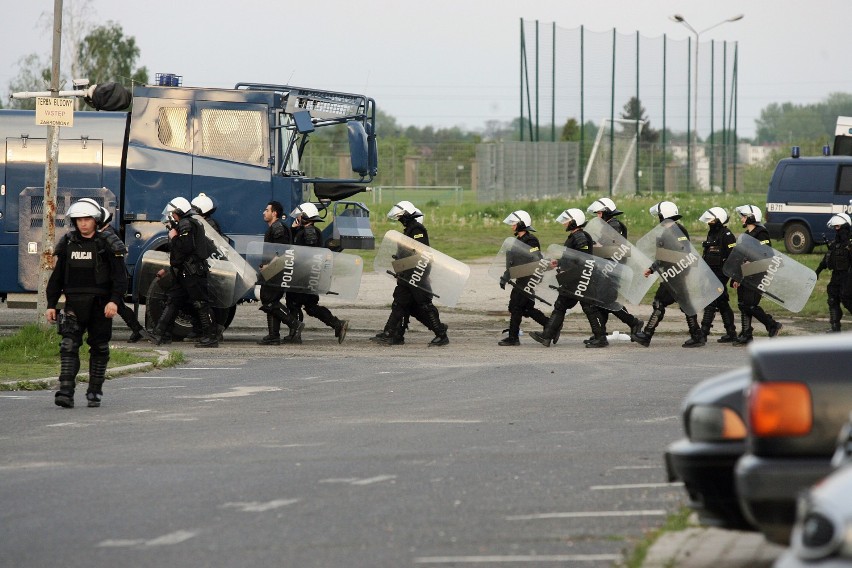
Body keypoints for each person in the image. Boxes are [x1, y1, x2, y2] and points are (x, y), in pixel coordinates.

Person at [46, 200, 128, 408]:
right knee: (68, 346)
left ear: (95, 220)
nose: (83, 224)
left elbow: (120, 277)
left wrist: (114, 301)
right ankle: (65, 391)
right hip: (74, 303)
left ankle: (94, 391)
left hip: (101, 304)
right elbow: (56, 277)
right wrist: (51, 304)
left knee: (99, 348)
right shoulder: (68, 243)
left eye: (87, 219)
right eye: (79, 220)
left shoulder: (108, 243)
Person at [372, 201, 449, 346]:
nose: (400, 220)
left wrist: (409, 268)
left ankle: (441, 333)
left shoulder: (417, 229)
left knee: (424, 304)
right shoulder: (408, 230)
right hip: (407, 273)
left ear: (407, 215)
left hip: (416, 273)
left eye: (401, 217)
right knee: (400, 303)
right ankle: (394, 334)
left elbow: (421, 253)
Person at [529, 208, 610, 348]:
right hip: (574, 278)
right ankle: (547, 336)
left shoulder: (580, 237)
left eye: (567, 221)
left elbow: (582, 259)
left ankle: (601, 338)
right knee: (561, 305)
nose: (564, 223)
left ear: (574, 221)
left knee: (589, 307)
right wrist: (559, 263)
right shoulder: (575, 236)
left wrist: (567, 269)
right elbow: (573, 258)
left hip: (581, 278)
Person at [632, 201, 705, 348]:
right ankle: (697, 335)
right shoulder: (680, 229)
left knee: (659, 302)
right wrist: (653, 268)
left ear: (663, 215)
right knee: (685, 303)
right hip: (677, 272)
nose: (658, 217)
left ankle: (647, 335)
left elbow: (671, 256)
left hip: (674, 274)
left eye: (659, 215)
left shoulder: (670, 233)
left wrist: (653, 268)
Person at [149, 197, 219, 348]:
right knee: (173, 299)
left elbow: (185, 248)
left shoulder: (186, 224)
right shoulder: (187, 223)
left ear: (178, 212)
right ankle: (161, 333)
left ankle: (211, 336)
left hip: (193, 272)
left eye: (173, 213)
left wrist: (173, 238)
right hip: (185, 272)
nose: (171, 216)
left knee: (201, 304)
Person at [286, 202, 350, 344]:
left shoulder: (309, 233)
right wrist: (294, 230)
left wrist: (293, 230)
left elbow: (303, 253)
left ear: (305, 216)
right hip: (309, 274)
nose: (297, 218)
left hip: (304, 275)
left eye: (299, 216)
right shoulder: (310, 231)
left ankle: (295, 334)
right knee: (311, 307)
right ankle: (337, 324)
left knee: (294, 304)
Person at [585, 198, 643, 343]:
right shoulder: (611, 225)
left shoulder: (613, 226)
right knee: (602, 302)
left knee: (607, 302)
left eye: (599, 213)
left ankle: (634, 322)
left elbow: (612, 249)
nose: (597, 216)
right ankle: (601, 333)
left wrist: (594, 245)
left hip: (612, 268)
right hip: (609, 267)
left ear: (606, 212)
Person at [730, 204, 783, 345]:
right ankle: (746, 334)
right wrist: (736, 277)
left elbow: (767, 254)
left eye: (744, 216)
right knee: (743, 304)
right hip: (744, 274)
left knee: (751, 304)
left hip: (758, 273)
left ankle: (772, 325)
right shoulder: (745, 235)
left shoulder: (761, 233)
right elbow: (739, 256)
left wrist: (751, 262)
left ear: (752, 217)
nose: (742, 219)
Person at [497, 210, 549, 346]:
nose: (512, 225)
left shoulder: (531, 240)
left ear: (521, 224)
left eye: (514, 223)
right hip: (522, 277)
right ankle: (550, 325)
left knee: (516, 306)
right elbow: (514, 262)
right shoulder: (518, 240)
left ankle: (513, 338)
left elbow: (535, 258)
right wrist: (506, 276)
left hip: (529, 277)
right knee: (524, 308)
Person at [256, 201, 304, 345]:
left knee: (269, 300)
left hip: (276, 270)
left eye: (267, 210)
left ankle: (295, 324)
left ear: (274, 213)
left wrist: (268, 267)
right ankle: (273, 335)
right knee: (270, 301)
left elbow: (281, 252)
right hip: (272, 269)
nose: (264, 212)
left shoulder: (278, 228)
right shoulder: (275, 227)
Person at [696, 207, 738, 343]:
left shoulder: (727, 235)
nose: (709, 222)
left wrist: (734, 276)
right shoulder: (712, 234)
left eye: (711, 220)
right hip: (710, 272)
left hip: (722, 272)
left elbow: (734, 257)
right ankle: (731, 332)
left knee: (711, 300)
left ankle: (703, 334)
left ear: (719, 219)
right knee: (722, 302)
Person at [815, 213, 852, 332]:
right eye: (835, 227)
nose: (836, 230)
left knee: (847, 299)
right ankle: (835, 328)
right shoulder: (835, 244)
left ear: (844, 226)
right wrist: (817, 271)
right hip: (836, 276)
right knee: (832, 299)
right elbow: (827, 259)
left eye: (838, 227)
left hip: (848, 276)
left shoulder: (850, 244)